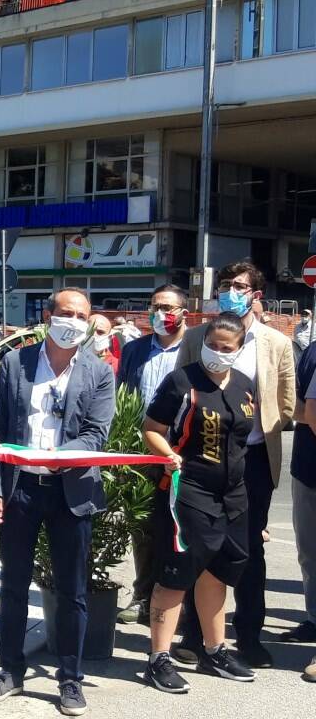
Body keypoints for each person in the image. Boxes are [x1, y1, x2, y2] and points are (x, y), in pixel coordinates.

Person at [0, 287, 114, 717]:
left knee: (72, 591)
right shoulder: (16, 363)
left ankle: (70, 679)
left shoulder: (99, 371)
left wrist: (60, 457)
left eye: (81, 315)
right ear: (48, 315)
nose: (72, 321)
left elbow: (97, 433)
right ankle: (10, 670)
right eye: (66, 313)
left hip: (71, 493)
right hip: (20, 490)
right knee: (13, 586)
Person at [173, 261, 294, 668]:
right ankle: (193, 634)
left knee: (247, 552)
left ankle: (248, 636)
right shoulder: (195, 337)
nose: (231, 291)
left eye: (240, 286)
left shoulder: (275, 343)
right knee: (198, 546)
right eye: (226, 284)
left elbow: (287, 401)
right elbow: (178, 396)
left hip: (254, 461)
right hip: (201, 462)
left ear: (256, 295)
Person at [141, 314, 256, 694]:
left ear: (239, 351)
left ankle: (215, 650)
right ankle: (158, 658)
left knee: (221, 570)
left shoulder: (244, 385)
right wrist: (167, 457)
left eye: (228, 349)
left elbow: (242, 438)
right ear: (204, 341)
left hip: (233, 495)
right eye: (213, 345)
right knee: (178, 571)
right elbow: (152, 430)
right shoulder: (181, 380)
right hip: (189, 490)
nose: (218, 354)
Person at [114, 284, 189, 625]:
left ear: (184, 312)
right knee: (142, 526)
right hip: (141, 451)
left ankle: (179, 603)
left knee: (181, 528)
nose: (162, 313)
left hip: (182, 450)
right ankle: (142, 594)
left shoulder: (194, 348)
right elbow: (122, 395)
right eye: (156, 306)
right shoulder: (134, 350)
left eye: (169, 307)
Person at [285, 339, 316, 652]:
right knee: (309, 552)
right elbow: (294, 406)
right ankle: (313, 618)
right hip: (307, 468)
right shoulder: (312, 351)